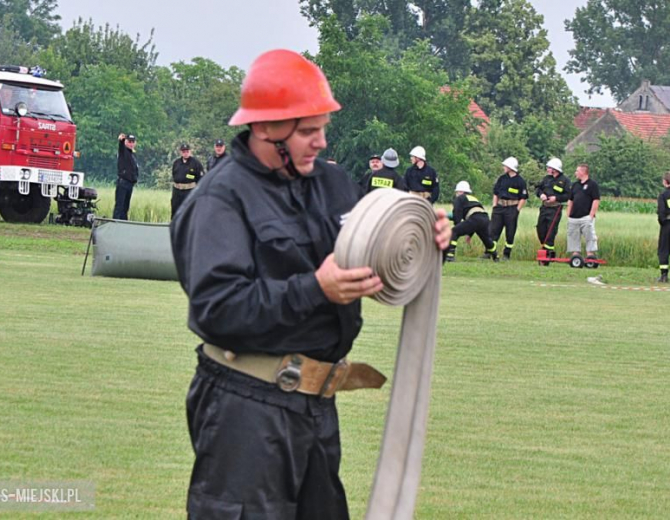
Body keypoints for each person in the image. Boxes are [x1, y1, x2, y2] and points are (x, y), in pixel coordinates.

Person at [170, 49, 450, 520]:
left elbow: (378, 243)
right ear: (264, 128)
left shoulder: (333, 183)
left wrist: (425, 235)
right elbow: (217, 308)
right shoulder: (220, 198)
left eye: (322, 128)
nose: (320, 142)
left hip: (316, 407)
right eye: (307, 131)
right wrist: (314, 290)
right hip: (245, 406)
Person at [445, 181, 498, 263]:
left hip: (475, 218)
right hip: (485, 218)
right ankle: (495, 256)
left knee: (454, 231)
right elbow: (472, 220)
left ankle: (450, 255)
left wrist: (457, 225)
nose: (456, 194)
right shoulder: (473, 198)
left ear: (461, 191)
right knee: (486, 239)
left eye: (457, 192)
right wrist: (469, 234)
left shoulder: (459, 198)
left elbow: (457, 214)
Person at [488, 157, 528, 260]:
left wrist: (517, 210)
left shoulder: (520, 181)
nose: (503, 167)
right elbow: (496, 193)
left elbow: (523, 198)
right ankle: (490, 252)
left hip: (512, 208)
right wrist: (494, 206)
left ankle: (506, 254)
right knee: (493, 230)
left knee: (510, 232)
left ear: (511, 167)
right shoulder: (502, 178)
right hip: (500, 207)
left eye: (505, 166)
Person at [535, 157, 571, 258]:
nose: (547, 169)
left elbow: (568, 195)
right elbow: (538, 189)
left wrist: (556, 198)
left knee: (551, 231)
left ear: (555, 169)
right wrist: (541, 194)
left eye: (549, 167)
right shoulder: (546, 179)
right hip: (544, 207)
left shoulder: (565, 181)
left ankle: (549, 253)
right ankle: (546, 249)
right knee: (540, 229)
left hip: (555, 208)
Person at [567, 164, 600, 261]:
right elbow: (570, 200)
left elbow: (596, 200)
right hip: (574, 217)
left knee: (589, 235)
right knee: (573, 236)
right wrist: (568, 214)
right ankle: (575, 254)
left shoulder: (592, 185)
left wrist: (591, 215)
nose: (575, 173)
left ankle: (590, 254)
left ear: (583, 172)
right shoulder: (575, 185)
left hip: (586, 216)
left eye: (577, 171)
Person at [171, 143, 205, 219]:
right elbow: (174, 175)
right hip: (177, 191)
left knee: (189, 213)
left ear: (190, 151)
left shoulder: (195, 163)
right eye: (183, 151)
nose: (185, 153)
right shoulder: (176, 163)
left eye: (187, 151)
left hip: (189, 191)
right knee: (175, 211)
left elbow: (201, 178)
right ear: (180, 152)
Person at [113, 133, 138, 220]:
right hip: (123, 183)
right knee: (119, 206)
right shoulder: (123, 152)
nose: (131, 144)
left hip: (130, 184)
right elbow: (121, 147)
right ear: (126, 142)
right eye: (129, 142)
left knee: (125, 207)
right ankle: (115, 224)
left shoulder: (132, 155)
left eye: (132, 142)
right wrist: (121, 140)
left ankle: (124, 225)